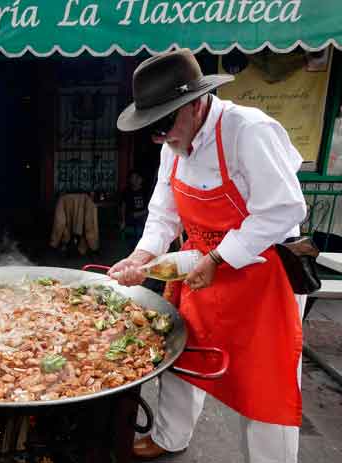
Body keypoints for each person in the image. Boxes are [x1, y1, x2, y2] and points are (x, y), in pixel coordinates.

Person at [110, 49, 307, 462]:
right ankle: (169, 436)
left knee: (264, 383)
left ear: (196, 104)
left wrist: (219, 259)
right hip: (200, 265)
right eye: (153, 130)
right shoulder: (173, 146)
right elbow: (164, 214)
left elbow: (285, 210)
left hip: (262, 270)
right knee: (181, 351)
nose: (163, 138)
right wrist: (140, 256)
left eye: (166, 124)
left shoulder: (248, 130)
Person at [119, 170, 148, 249]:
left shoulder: (145, 191)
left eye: (136, 178)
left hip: (143, 217)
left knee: (140, 231)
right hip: (131, 216)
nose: (134, 180)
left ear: (141, 179)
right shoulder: (127, 191)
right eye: (132, 178)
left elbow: (149, 207)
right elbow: (123, 206)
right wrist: (123, 220)